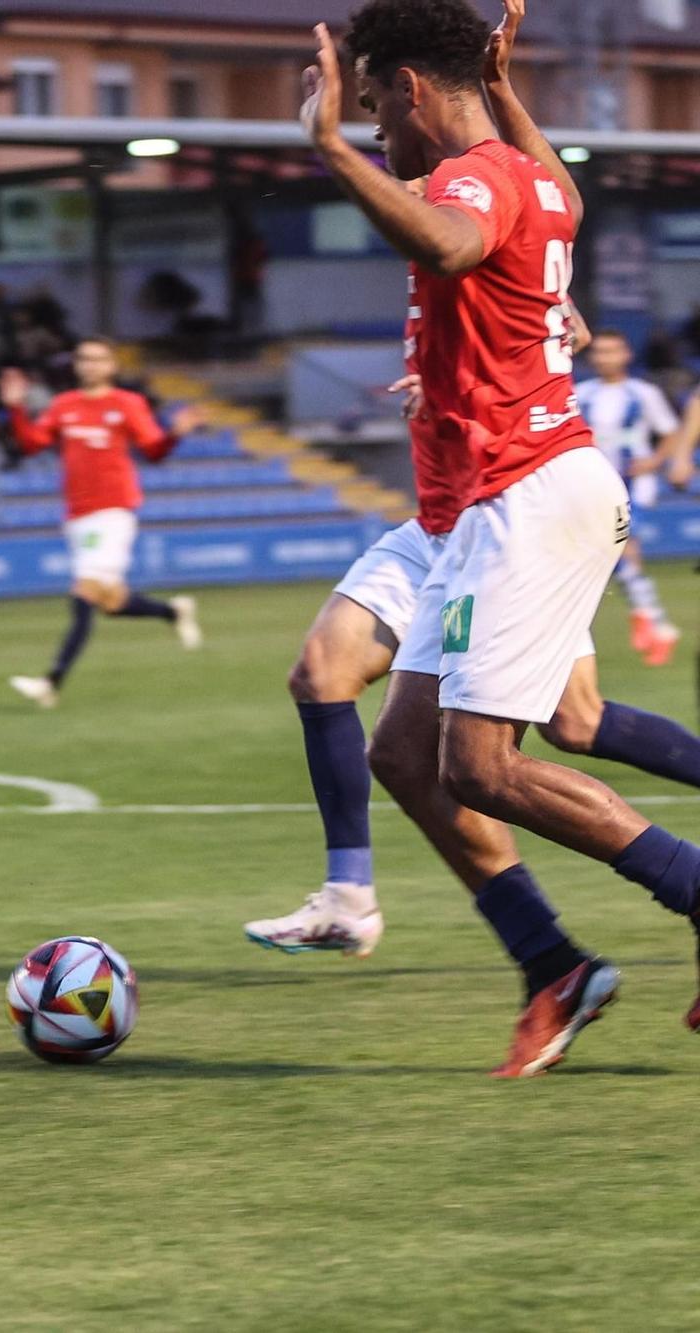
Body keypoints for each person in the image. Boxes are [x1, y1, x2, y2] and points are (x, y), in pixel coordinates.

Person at [294, 0, 700, 1076]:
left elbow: (456, 238)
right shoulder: (536, 181)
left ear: (413, 92)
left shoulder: (471, 182)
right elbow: (538, 200)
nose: (376, 125)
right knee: (406, 752)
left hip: (523, 496)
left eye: (376, 103)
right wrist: (504, 83)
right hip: (493, 501)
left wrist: (329, 148)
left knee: (479, 764)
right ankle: (550, 962)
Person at [0, 342, 203, 709]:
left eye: (98, 359)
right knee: (111, 602)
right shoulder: (63, 405)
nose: (90, 365)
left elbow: (154, 451)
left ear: (111, 366)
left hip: (113, 511)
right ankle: (173, 612)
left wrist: (175, 433)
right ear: (76, 366)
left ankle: (50, 681)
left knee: (84, 593)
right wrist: (15, 408)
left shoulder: (127, 403)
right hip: (77, 516)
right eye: (83, 359)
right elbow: (32, 444)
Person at [574, 328, 683, 664]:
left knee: (622, 545)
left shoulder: (642, 393)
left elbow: (670, 432)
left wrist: (654, 460)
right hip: (593, 483)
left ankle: (651, 622)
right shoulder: (580, 393)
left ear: (626, 355)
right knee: (614, 551)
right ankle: (651, 619)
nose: (605, 357)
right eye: (600, 351)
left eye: (612, 351)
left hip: (634, 484)